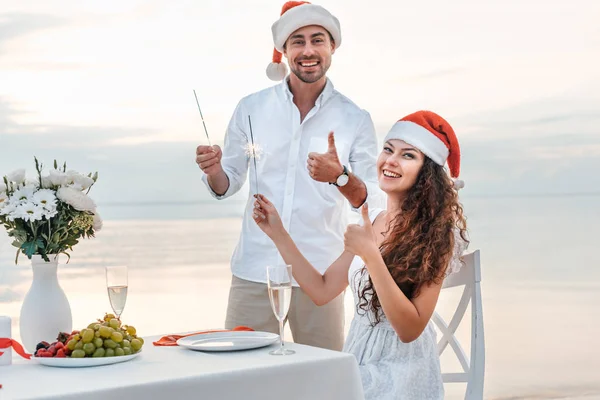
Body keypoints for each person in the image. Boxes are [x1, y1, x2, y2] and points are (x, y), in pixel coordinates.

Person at [195, 1, 383, 351]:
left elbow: (371, 199)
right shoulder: (250, 108)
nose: (308, 50)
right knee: (240, 377)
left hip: (320, 275)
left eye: (317, 40)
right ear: (283, 50)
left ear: (333, 48)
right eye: (297, 41)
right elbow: (228, 182)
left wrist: (341, 176)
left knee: (321, 380)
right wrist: (215, 170)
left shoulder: (355, 118)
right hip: (255, 271)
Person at [253, 110, 469, 399]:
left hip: (402, 371)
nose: (391, 160)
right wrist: (277, 233)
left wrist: (369, 254)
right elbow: (322, 289)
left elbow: (409, 329)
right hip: (357, 358)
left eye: (408, 155)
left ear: (426, 173)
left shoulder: (437, 234)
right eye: (388, 150)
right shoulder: (373, 220)